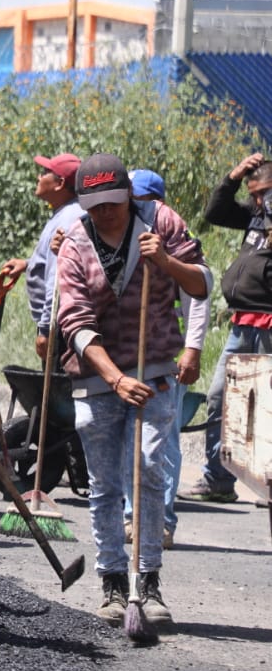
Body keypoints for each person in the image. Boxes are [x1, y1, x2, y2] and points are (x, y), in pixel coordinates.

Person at [55, 154, 207, 630]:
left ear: (129, 196)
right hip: (98, 375)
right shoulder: (74, 242)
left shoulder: (161, 221)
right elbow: (75, 323)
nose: (104, 214)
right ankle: (113, 584)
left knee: (147, 468)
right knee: (104, 484)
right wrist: (116, 378)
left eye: (112, 204)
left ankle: (149, 580)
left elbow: (202, 283)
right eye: (94, 206)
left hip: (156, 368)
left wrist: (165, 260)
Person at [124, 169, 208, 549]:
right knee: (129, 441)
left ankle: (162, 521)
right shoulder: (119, 228)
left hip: (162, 353)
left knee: (162, 443)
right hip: (125, 352)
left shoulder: (170, 231)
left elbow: (197, 293)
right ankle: (132, 516)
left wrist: (193, 348)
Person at [188, 151, 272, 504]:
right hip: (242, 325)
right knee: (221, 397)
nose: (257, 200)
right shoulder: (256, 217)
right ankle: (218, 478)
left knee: (267, 404)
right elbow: (215, 213)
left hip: (269, 326)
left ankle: (267, 482)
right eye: (252, 194)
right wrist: (234, 175)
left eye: (263, 192)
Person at [0, 152, 83, 361]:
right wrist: (29, 264)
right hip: (60, 325)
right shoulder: (65, 212)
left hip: (60, 329)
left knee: (57, 386)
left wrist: (46, 329)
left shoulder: (68, 219)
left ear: (60, 183)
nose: (39, 176)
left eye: (45, 172)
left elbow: (58, 277)